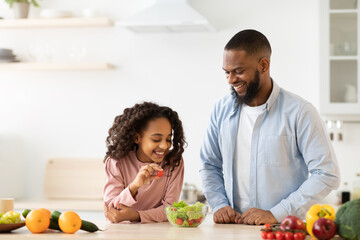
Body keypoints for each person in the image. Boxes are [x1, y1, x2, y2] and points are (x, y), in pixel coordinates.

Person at [199, 29, 340, 225]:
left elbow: (326, 174)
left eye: (238, 71)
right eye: (227, 73)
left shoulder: (300, 112)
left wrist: (277, 213)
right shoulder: (220, 109)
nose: (231, 80)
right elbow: (209, 164)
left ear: (263, 65)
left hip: (284, 229)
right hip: (233, 229)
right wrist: (219, 204)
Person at [103, 102, 186, 223]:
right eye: (156, 139)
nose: (164, 145)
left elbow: (171, 210)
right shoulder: (117, 162)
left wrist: (135, 215)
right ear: (137, 138)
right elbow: (111, 211)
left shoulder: (173, 162)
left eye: (168, 139)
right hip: (124, 232)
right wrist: (134, 186)